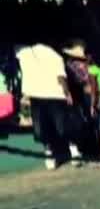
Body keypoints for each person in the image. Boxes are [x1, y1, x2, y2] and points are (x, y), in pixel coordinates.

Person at [15, 41, 81, 170]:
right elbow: (61, 76)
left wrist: (66, 92)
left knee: (43, 128)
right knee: (61, 126)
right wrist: (67, 93)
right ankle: (71, 151)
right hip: (50, 94)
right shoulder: (53, 52)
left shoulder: (24, 51)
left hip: (43, 94)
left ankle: (54, 154)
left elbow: (61, 76)